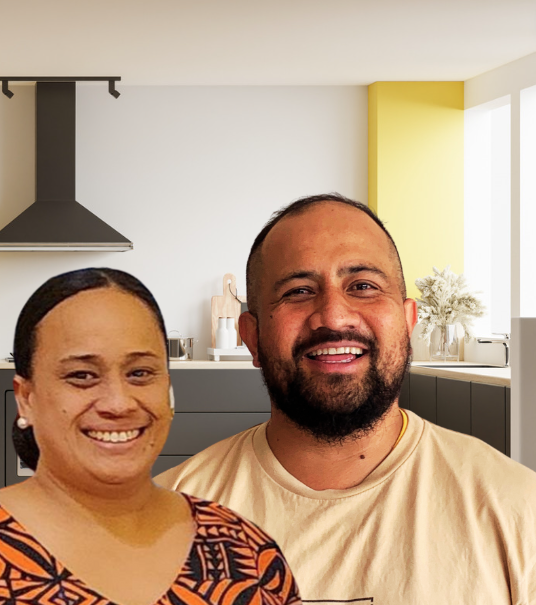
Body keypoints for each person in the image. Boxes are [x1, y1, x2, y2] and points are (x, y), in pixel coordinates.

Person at [156, 193, 536, 603]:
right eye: (299, 291)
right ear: (252, 337)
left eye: (363, 286)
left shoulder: (517, 510)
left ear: (408, 323)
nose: (335, 316)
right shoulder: (163, 523)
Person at [0, 268, 301, 605]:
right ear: (25, 398)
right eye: (82, 375)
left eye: (140, 373)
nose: (118, 401)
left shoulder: (246, 552)